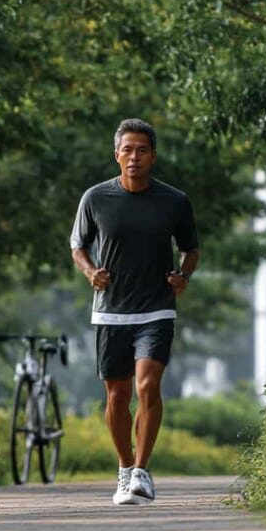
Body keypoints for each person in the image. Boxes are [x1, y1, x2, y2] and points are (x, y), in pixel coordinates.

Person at [69, 118, 199, 505]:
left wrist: (183, 276)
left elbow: (190, 249)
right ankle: (125, 469)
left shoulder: (175, 201)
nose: (134, 157)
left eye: (142, 150)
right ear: (116, 155)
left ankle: (142, 471)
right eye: (127, 150)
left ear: (153, 156)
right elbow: (78, 246)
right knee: (117, 396)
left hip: (157, 308)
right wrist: (91, 272)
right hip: (111, 312)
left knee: (148, 385)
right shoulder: (95, 199)